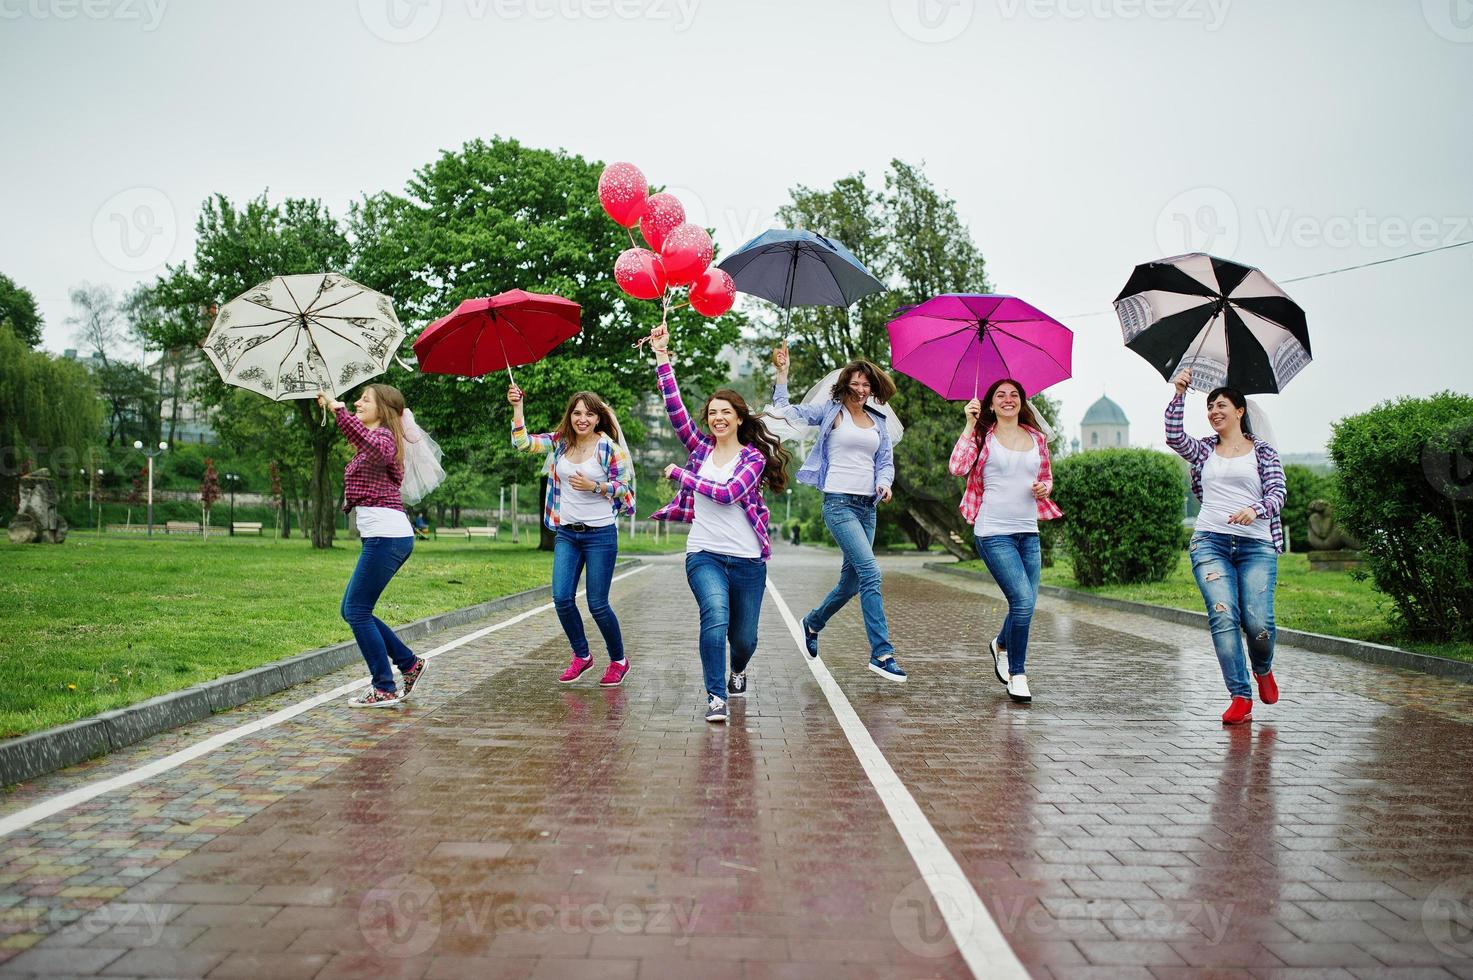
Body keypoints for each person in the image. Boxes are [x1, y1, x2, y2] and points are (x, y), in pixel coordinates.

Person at [648, 325, 791, 723]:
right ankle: (715, 697)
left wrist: (681, 475)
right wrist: (663, 357)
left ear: (739, 417)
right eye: (712, 413)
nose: (717, 418)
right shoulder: (700, 449)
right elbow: (675, 408)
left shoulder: (753, 459)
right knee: (714, 616)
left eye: (725, 412)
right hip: (705, 553)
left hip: (747, 560)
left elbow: (728, 492)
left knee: (744, 639)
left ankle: (738, 669)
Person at [771, 345, 905, 682]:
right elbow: (786, 411)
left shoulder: (879, 420)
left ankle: (813, 622)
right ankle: (882, 653)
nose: (861, 390)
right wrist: (782, 373)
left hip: (867, 507)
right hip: (839, 504)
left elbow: (885, 463)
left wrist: (885, 483)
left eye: (867, 385)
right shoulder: (830, 412)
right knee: (872, 574)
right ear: (844, 386)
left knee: (852, 583)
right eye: (856, 384)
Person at [1166, 368, 1286, 726]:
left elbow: (1278, 493)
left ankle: (1262, 668)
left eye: (1221, 405)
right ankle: (1239, 695)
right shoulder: (1204, 449)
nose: (1214, 410)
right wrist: (1179, 393)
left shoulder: (1262, 452)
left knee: (1257, 622)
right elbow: (1174, 437)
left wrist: (1255, 509)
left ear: (1239, 411)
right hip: (1210, 542)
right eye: (1209, 406)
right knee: (1223, 616)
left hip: (1257, 545)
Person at [510, 382, 636, 687]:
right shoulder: (561, 443)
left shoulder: (609, 449)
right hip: (567, 533)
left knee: (597, 604)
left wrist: (596, 486)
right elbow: (523, 444)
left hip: (600, 536)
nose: (582, 419)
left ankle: (619, 660)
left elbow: (625, 491)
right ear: (571, 416)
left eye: (589, 414)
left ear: (598, 419)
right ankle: (582, 656)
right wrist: (517, 407)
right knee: (562, 598)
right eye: (577, 413)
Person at [319, 385, 436, 708]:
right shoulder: (376, 439)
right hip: (382, 535)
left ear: (383, 409)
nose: (357, 402)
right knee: (353, 609)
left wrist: (337, 409)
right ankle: (409, 664)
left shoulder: (385, 438)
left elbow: (371, 446)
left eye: (365, 400)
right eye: (357, 400)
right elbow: (363, 444)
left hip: (388, 535)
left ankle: (384, 686)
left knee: (356, 610)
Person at [948, 378, 1062, 704]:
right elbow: (957, 467)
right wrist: (970, 424)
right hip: (993, 531)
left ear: (1022, 401)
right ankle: (1018, 673)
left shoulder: (1037, 438)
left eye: (1014, 394)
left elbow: (1046, 477)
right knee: (1024, 601)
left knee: (1024, 602)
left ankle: (1000, 643)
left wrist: (1044, 488)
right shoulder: (983, 436)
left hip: (1028, 532)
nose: (1008, 399)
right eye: (1001, 395)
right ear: (991, 403)